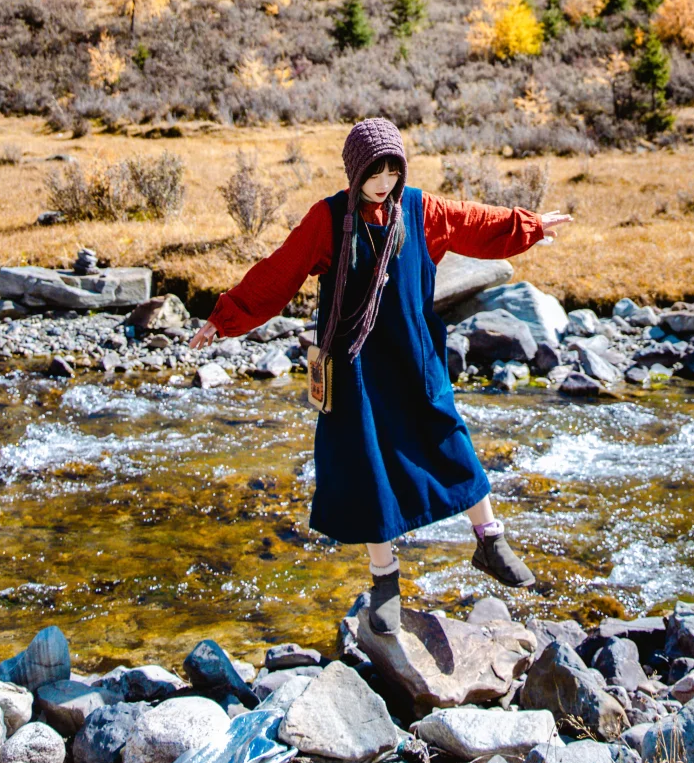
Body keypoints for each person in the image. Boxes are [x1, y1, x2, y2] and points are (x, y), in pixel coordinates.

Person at [189, 118, 572, 635]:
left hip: (414, 356)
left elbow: (474, 223)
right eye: (375, 171)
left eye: (393, 170)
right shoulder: (328, 220)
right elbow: (281, 271)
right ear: (356, 171)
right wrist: (225, 316)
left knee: (449, 438)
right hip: (355, 367)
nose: (385, 182)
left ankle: (490, 540)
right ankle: (384, 580)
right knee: (370, 469)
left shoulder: (418, 208)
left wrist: (531, 226)